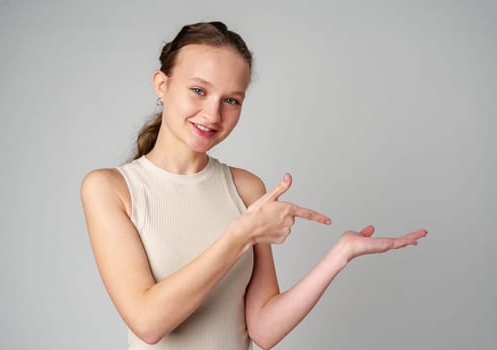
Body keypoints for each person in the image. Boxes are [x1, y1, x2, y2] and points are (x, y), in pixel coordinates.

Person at [80, 21, 427, 350]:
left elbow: (263, 329)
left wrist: (340, 255)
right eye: (198, 90)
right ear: (162, 85)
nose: (213, 114)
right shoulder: (110, 188)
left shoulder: (246, 188)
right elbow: (149, 322)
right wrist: (241, 234)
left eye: (231, 100)